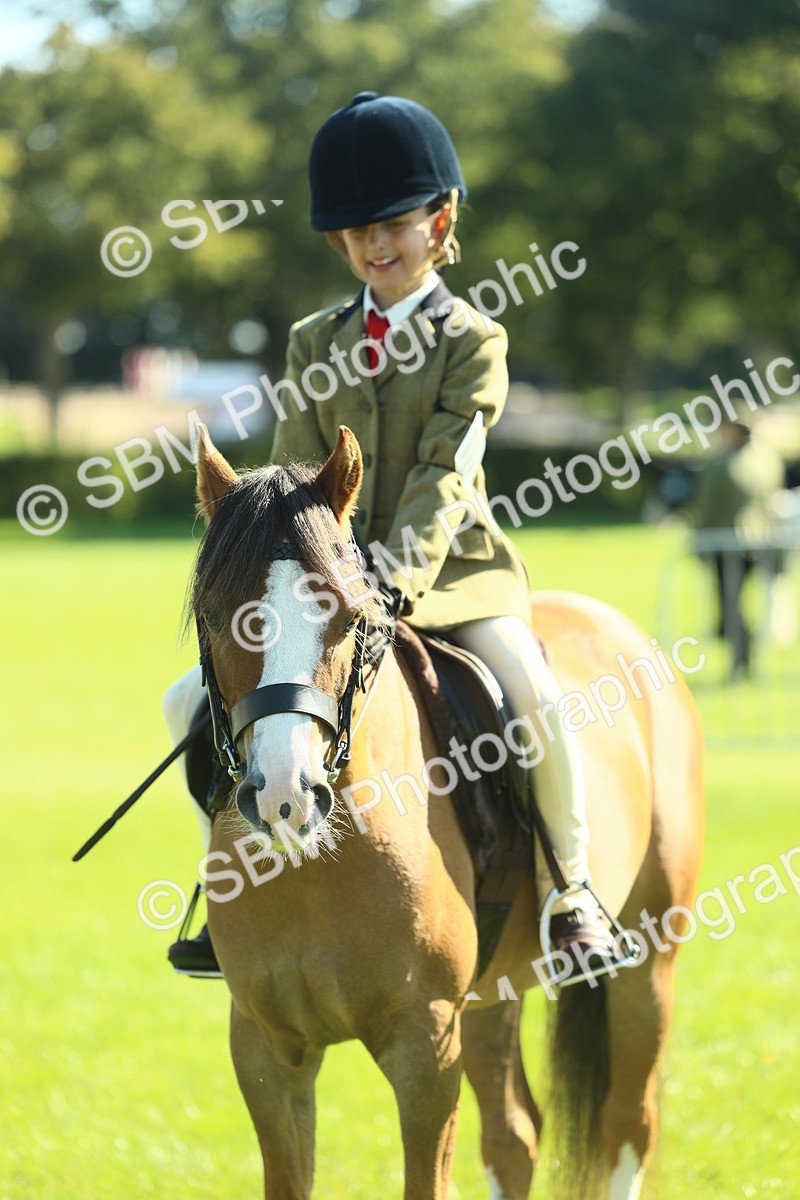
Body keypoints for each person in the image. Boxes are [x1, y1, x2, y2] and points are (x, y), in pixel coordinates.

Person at [165, 92, 628, 984]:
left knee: (533, 692)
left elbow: (447, 474)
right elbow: (292, 477)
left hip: (453, 574)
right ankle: (222, 889)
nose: (374, 246)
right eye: (354, 233)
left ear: (439, 219)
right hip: (323, 586)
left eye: (393, 225)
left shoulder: (473, 338)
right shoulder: (313, 341)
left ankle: (573, 891)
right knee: (188, 700)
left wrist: (395, 577)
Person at [691, 414, 784, 680]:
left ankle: (741, 659)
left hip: (728, 542)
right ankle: (744, 656)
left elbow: (707, 506)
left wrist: (700, 541)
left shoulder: (723, 464)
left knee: (731, 606)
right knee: (739, 605)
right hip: (761, 541)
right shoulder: (766, 459)